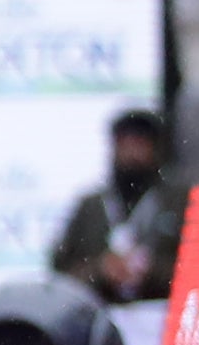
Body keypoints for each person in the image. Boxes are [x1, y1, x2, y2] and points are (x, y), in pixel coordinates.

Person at [50, 107, 183, 306]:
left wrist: (150, 270)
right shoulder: (91, 207)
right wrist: (101, 270)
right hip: (99, 314)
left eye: (139, 145)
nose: (131, 154)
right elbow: (59, 272)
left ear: (155, 149)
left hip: (160, 314)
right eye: (124, 145)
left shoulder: (178, 203)